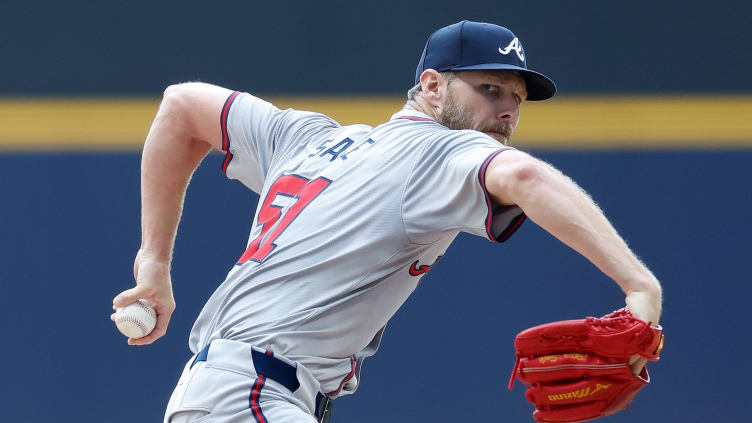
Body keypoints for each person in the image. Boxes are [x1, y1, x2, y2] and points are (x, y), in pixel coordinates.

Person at [111, 20, 662, 423]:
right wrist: (638, 283)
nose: (506, 111)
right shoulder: (437, 153)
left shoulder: (311, 140)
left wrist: (153, 261)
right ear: (431, 85)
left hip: (235, 394)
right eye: (488, 89)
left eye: (516, 100)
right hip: (249, 398)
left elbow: (181, 105)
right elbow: (528, 181)